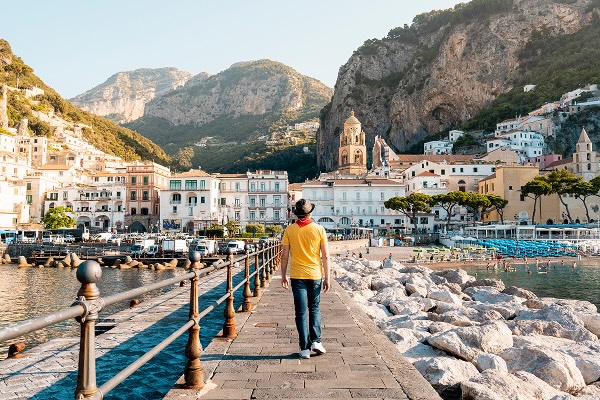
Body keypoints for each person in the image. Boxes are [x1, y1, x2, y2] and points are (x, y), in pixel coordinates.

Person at [280, 199, 330, 359]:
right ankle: (316, 341)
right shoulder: (319, 229)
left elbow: (284, 256)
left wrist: (283, 276)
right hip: (315, 275)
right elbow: (326, 256)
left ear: (297, 214)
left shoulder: (289, 230)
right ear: (310, 213)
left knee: (301, 312)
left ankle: (304, 349)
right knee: (314, 308)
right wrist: (327, 278)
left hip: (297, 276)